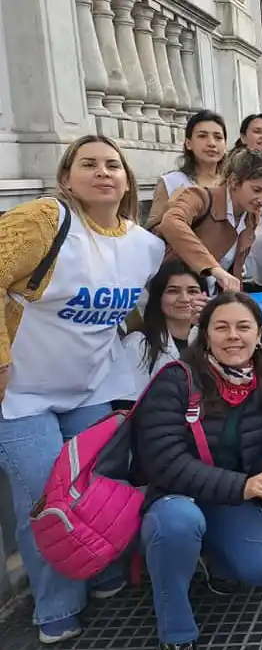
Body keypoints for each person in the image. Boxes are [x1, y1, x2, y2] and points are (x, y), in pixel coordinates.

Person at [0, 135, 164, 644]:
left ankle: (100, 569)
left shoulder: (146, 247)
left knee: (97, 491)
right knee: (45, 499)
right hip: (22, 394)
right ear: (66, 177)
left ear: (128, 179)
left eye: (113, 164)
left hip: (91, 388)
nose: (103, 172)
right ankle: (56, 606)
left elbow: (133, 312)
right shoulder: (46, 221)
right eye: (88, 163)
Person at [135, 292, 262, 650]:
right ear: (205, 335)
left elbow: (259, 453)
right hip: (174, 498)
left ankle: (216, 558)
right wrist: (243, 486)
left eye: (243, 327)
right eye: (221, 327)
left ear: (259, 335)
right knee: (178, 523)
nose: (233, 336)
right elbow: (164, 462)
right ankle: (176, 629)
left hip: (228, 498)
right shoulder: (176, 380)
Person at [151, 148, 262, 294]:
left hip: (210, 297)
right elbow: (171, 221)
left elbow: (235, 272)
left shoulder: (251, 217)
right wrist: (213, 268)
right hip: (174, 294)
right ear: (234, 181)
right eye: (257, 190)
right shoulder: (200, 197)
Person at [121, 261, 208, 402]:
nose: (184, 299)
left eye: (192, 291)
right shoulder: (138, 344)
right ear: (158, 297)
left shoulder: (214, 341)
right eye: (173, 291)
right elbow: (128, 407)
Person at [148, 110, 226, 225]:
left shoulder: (232, 183)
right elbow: (150, 229)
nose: (212, 143)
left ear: (225, 146)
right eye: (202, 136)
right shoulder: (171, 182)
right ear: (188, 143)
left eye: (218, 137)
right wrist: (167, 211)